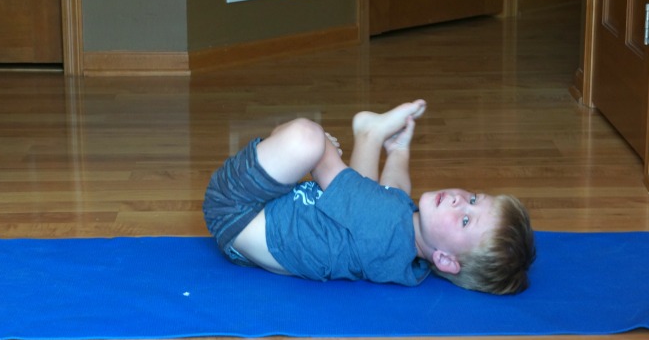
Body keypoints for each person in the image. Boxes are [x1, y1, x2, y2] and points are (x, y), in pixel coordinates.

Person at [203, 100, 536, 294]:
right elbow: (393, 192)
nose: (459, 200)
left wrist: (323, 152)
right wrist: (399, 151)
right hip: (259, 236)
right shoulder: (407, 258)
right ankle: (370, 134)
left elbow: (329, 171)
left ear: (447, 260)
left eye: (465, 219)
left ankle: (367, 134)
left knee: (305, 137)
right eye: (474, 198)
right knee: (365, 195)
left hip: (234, 212)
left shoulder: (384, 223)